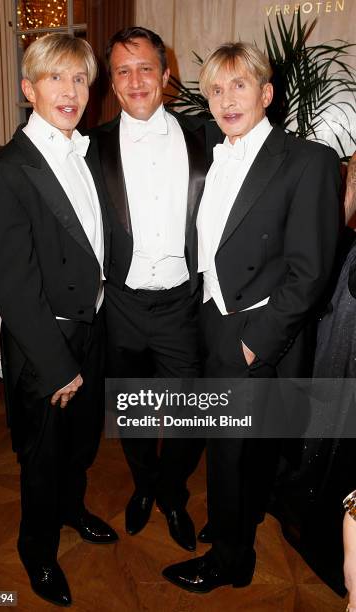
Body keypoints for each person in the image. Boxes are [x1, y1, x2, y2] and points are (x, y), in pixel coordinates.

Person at [162, 41, 341, 593]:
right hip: (211, 318)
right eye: (215, 88)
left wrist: (256, 340)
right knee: (243, 447)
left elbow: (311, 270)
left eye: (239, 85)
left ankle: (230, 562)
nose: (225, 99)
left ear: (266, 92)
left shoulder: (307, 160)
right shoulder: (212, 150)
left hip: (255, 329)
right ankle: (238, 520)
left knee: (230, 450)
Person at [0, 33, 117, 607]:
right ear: (27, 88)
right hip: (46, 341)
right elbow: (13, 287)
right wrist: (58, 364)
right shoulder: (7, 173)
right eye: (56, 78)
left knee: (80, 443)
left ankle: (72, 508)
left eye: (80, 78)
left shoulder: (83, 153)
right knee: (41, 456)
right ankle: (37, 552)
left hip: (93, 325)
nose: (71, 90)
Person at [85, 27, 218, 553]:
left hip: (183, 302)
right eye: (123, 70)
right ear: (112, 84)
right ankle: (144, 485)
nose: (135, 80)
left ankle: (171, 492)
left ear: (166, 76)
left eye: (145, 68)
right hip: (120, 303)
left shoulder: (206, 136)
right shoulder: (89, 146)